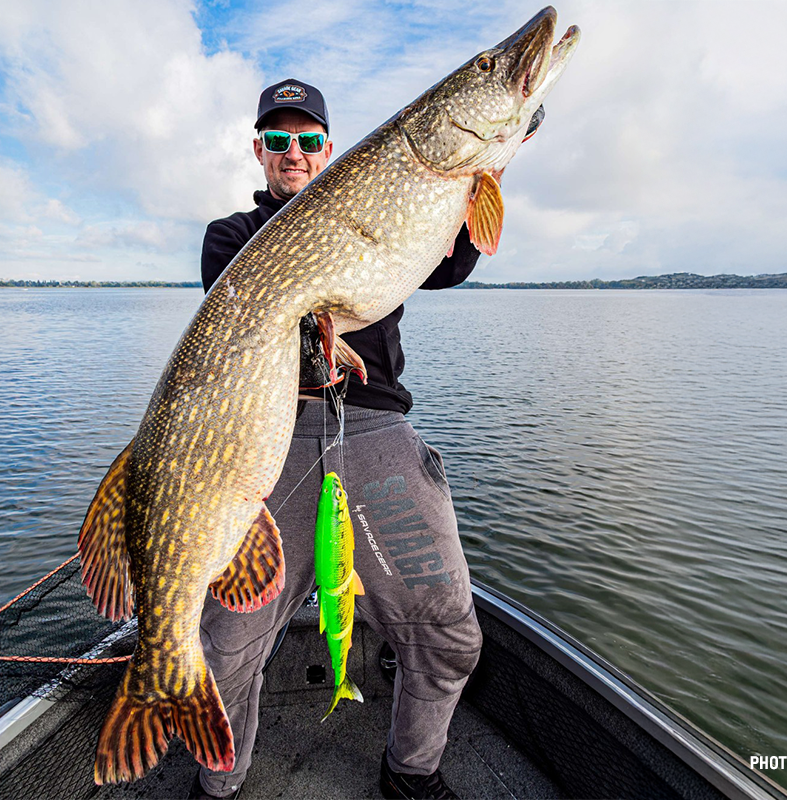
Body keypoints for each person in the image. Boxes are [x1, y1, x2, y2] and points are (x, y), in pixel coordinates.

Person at [193, 79, 541, 800]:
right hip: (273, 432)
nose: (295, 153)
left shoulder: (390, 207)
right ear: (259, 150)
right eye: (279, 140)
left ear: (328, 148)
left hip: (376, 422)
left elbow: (448, 262)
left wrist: (484, 176)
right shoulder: (229, 237)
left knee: (449, 632)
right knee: (225, 646)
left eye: (310, 139)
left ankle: (411, 772)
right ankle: (217, 785)